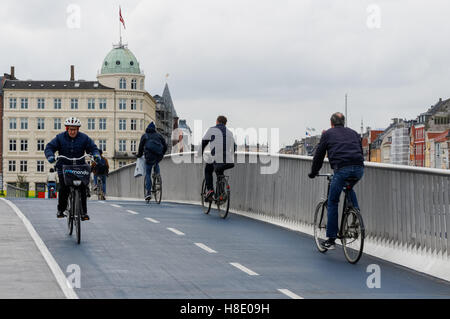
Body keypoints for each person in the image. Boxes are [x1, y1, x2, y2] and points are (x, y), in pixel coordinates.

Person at [308, 112, 364, 250]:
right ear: (343, 122)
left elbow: (319, 155)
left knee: (333, 201)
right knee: (348, 187)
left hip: (342, 169)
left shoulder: (328, 134)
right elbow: (360, 152)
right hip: (359, 168)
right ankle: (355, 215)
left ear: (331, 123)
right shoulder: (354, 133)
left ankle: (331, 239)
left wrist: (314, 172)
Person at [45, 117, 101, 221]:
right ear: (67, 129)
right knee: (64, 188)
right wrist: (50, 156)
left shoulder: (84, 138)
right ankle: (61, 210)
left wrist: (96, 155)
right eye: (70, 129)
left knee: (83, 188)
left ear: (78, 129)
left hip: (79, 167)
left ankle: (84, 212)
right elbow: (49, 147)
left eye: (74, 129)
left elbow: (93, 148)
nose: (72, 131)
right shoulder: (60, 138)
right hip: (63, 167)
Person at [199, 115, 236, 201]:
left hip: (217, 157)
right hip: (228, 160)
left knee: (208, 170)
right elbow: (234, 147)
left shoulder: (212, 130)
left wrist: (199, 153)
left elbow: (204, 142)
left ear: (217, 122)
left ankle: (210, 191)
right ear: (225, 123)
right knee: (219, 172)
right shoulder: (230, 133)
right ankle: (221, 194)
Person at [137, 122, 168, 201]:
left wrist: (139, 155)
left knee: (148, 173)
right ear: (154, 129)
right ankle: (157, 177)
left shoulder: (145, 136)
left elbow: (140, 147)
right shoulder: (159, 135)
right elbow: (165, 146)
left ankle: (148, 193)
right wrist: (162, 153)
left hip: (149, 157)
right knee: (156, 163)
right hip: (158, 156)